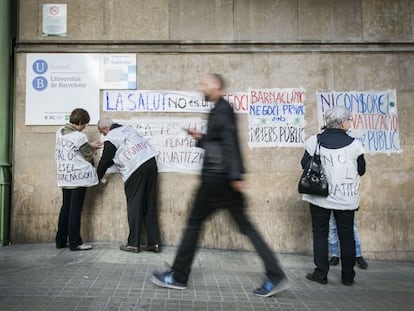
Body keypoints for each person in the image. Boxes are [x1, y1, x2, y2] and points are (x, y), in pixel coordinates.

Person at [150, 73, 288, 298]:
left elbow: (231, 141)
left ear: (217, 87)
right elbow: (220, 142)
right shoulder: (220, 109)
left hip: (217, 180)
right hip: (224, 180)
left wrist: (236, 175)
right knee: (246, 227)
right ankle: (275, 275)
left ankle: (178, 276)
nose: (201, 87)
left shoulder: (222, 109)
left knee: (194, 224)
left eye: (204, 84)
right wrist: (201, 138)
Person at [300, 105, 366, 286]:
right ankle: (348, 276)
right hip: (346, 198)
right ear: (343, 122)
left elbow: (304, 164)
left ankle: (321, 274)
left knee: (320, 234)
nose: (349, 123)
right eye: (348, 120)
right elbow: (361, 169)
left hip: (319, 196)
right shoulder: (355, 144)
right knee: (346, 236)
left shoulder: (315, 141)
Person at [96, 118, 161, 253]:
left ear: (104, 129)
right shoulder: (129, 129)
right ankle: (154, 243)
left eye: (102, 133)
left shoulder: (111, 136)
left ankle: (133, 244)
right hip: (151, 163)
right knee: (150, 205)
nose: (103, 136)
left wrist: (97, 177)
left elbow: (105, 159)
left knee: (135, 206)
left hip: (135, 169)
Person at [55, 108, 101, 251]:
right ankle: (75, 242)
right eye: (85, 124)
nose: (85, 127)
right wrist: (93, 165)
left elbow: (72, 149)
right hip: (78, 178)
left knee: (66, 208)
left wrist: (89, 146)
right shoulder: (80, 137)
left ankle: (60, 240)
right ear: (80, 122)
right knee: (75, 210)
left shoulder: (59, 132)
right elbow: (87, 155)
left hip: (65, 177)